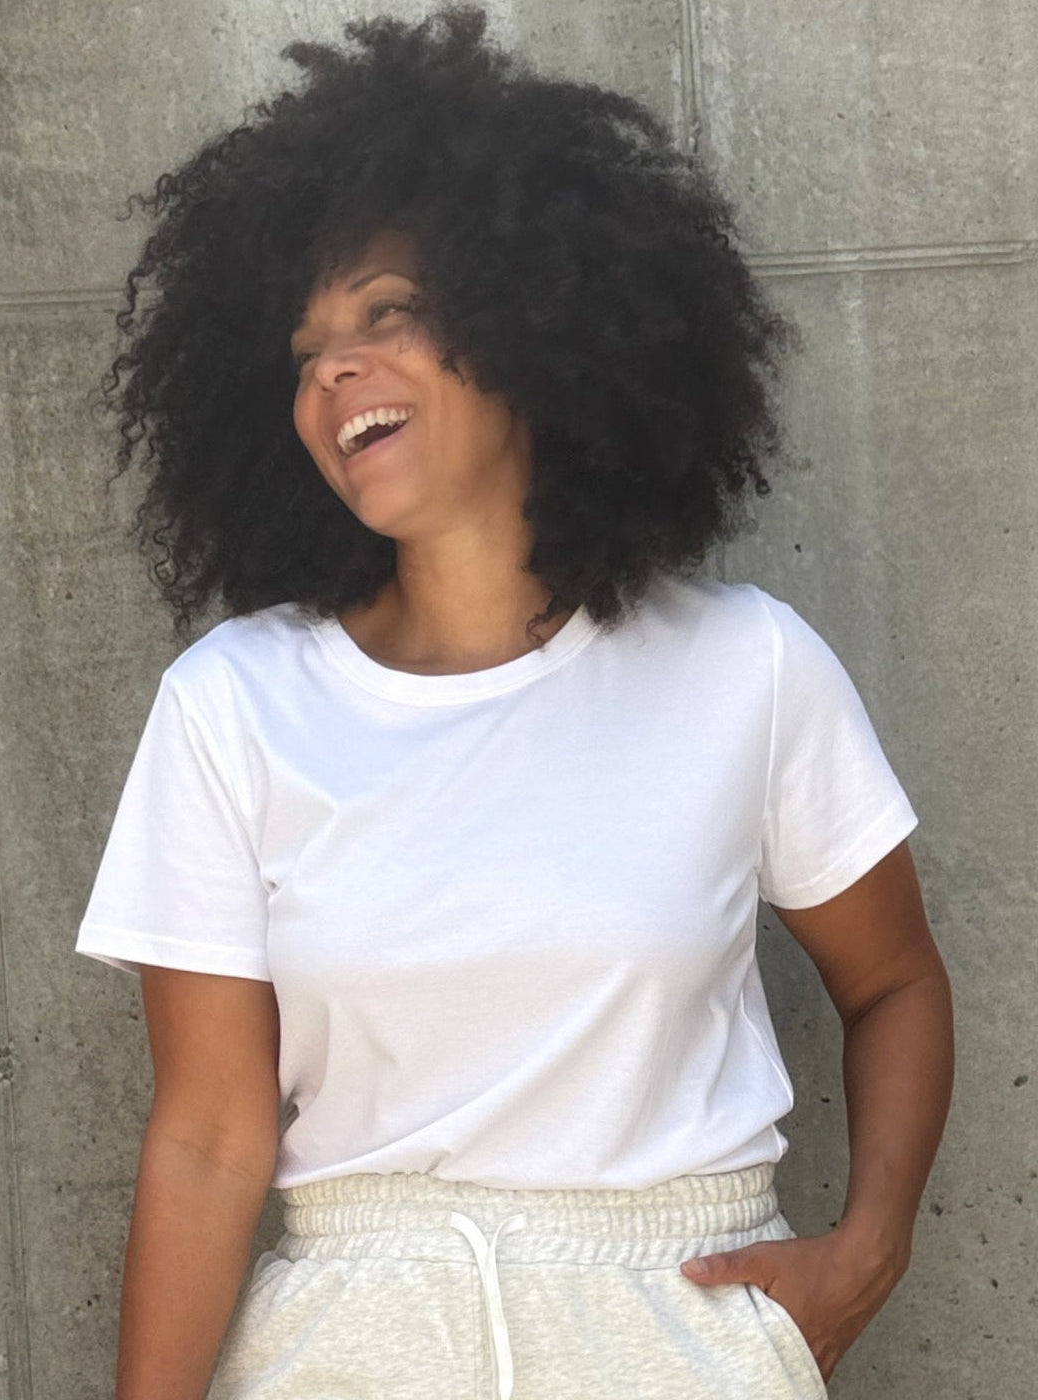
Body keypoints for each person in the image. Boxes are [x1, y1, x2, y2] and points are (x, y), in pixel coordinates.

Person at [76, 6, 954, 1398]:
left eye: (386, 315)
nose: (333, 371)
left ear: (534, 321)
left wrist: (867, 1252)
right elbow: (205, 1140)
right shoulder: (233, 705)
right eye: (304, 353)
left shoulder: (747, 667)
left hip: (676, 1331)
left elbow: (895, 979)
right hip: (345, 1344)